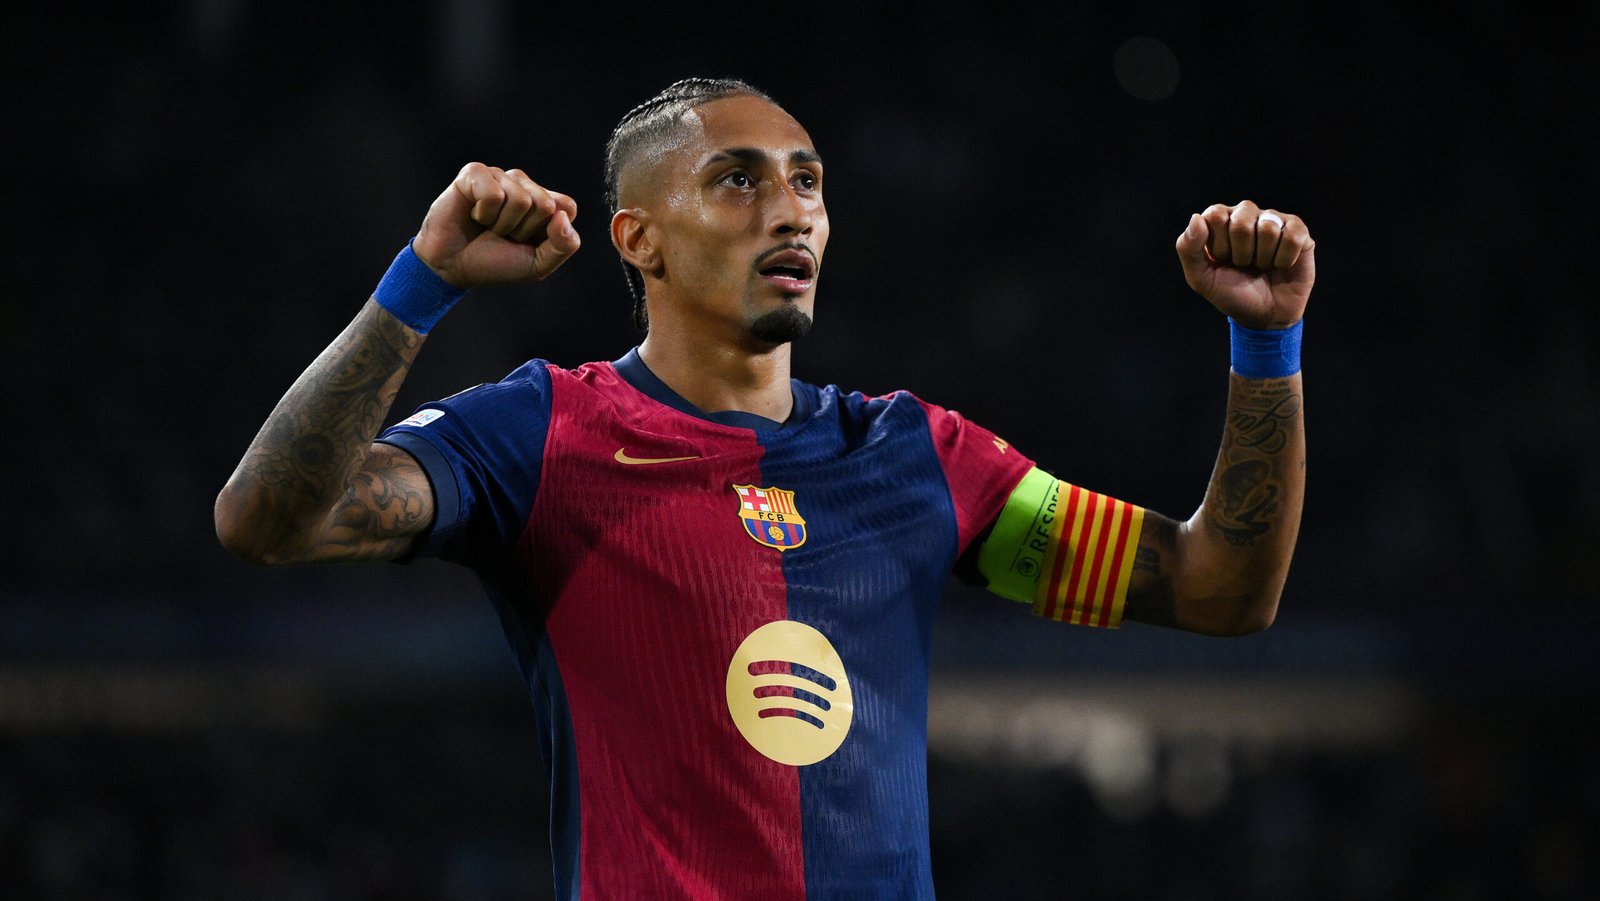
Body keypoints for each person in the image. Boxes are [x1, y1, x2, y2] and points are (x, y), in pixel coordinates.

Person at [215, 77, 1312, 899]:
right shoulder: (542, 432)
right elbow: (269, 521)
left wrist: (1265, 349)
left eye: (806, 182)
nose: (789, 210)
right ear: (637, 239)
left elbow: (1220, 589)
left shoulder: (920, 457)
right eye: (738, 179)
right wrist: (422, 285)